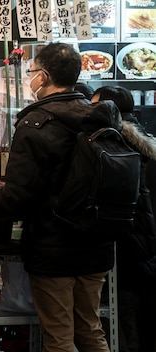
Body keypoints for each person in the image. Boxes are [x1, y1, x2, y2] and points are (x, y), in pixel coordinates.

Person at [0, 42, 119, 351]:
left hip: (54, 248)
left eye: (32, 72)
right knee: (91, 329)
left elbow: (18, 196)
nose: (30, 78)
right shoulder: (101, 115)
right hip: (98, 243)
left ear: (44, 76)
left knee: (59, 336)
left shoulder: (35, 123)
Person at [91, 86, 156, 352]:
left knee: (123, 321)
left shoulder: (115, 147)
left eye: (94, 106)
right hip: (146, 250)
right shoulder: (144, 145)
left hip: (129, 250)